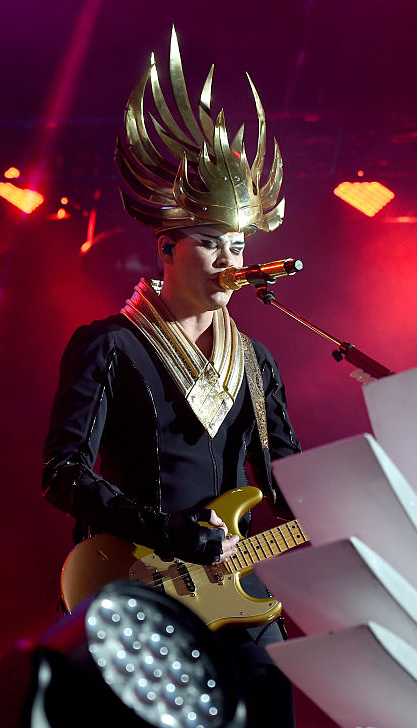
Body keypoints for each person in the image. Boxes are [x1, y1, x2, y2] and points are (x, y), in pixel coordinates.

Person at [41, 27, 299, 726]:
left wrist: (352, 492)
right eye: (211, 242)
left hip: (234, 584)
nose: (227, 259)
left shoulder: (257, 360)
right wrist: (171, 533)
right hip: (139, 574)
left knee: (273, 703)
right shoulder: (109, 347)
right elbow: (62, 472)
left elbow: (288, 480)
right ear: (168, 246)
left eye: (238, 245)